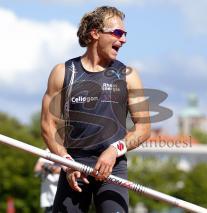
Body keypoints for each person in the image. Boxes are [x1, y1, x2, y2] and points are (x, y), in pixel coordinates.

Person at [41, 6, 151, 213]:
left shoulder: (128, 75)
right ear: (95, 33)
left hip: (113, 167)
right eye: (118, 33)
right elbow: (47, 126)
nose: (124, 40)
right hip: (74, 165)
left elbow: (144, 129)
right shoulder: (63, 73)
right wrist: (65, 162)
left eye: (125, 34)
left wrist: (114, 150)